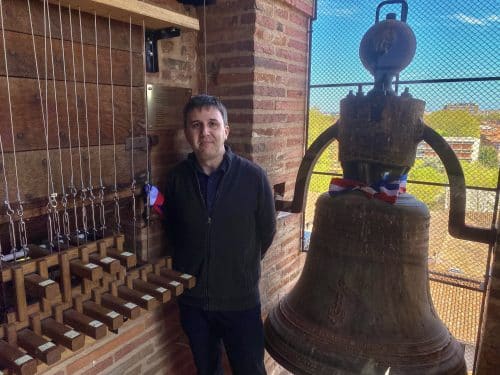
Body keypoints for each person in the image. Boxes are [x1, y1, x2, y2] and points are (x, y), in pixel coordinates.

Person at [149, 94, 276, 375]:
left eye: (212, 124)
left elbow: (266, 231)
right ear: (187, 133)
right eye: (195, 125)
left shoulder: (254, 178)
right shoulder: (176, 179)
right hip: (194, 303)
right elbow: (173, 229)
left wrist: (239, 267)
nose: (204, 132)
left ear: (225, 130)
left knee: (250, 370)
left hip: (240, 302)